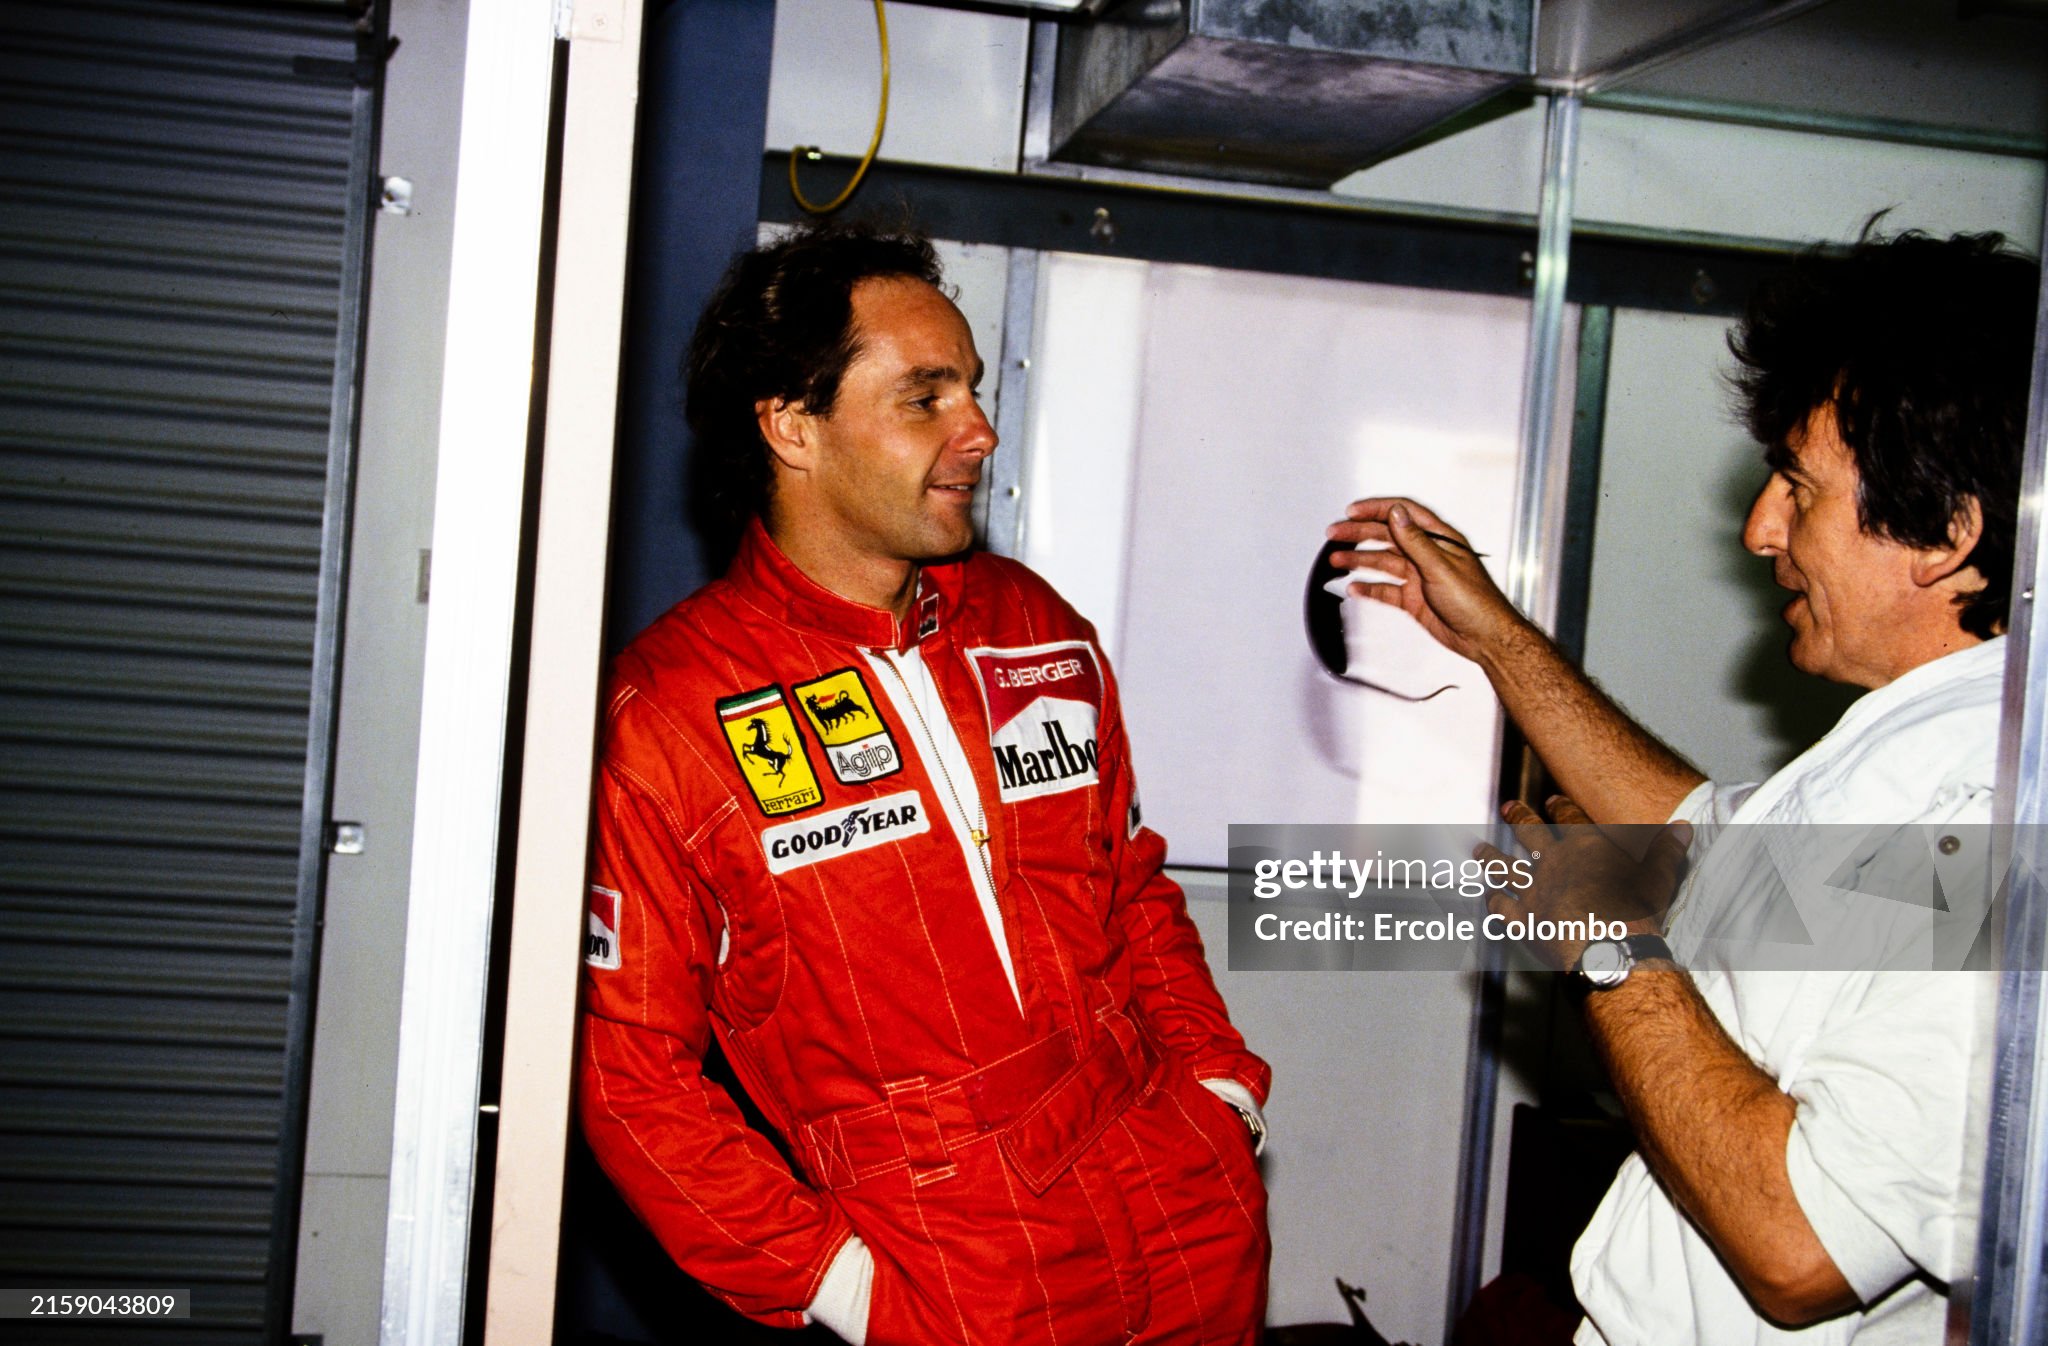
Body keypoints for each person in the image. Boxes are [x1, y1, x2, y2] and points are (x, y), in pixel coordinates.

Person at [1327, 226, 2037, 1345]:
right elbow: (1706, 843)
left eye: (1796, 490)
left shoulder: (1998, 813)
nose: (1760, 528)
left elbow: (1800, 1244)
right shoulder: (1929, 739)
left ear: (1944, 537)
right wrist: (1501, 642)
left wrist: (1608, 942)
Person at [576, 221, 1270, 1346]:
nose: (979, 432)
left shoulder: (1032, 626)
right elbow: (629, 1082)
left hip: (1180, 1205)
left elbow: (1128, 881)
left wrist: (1217, 1091)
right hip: (951, 1265)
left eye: (973, 391)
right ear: (792, 427)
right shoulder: (668, 715)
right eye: (924, 397)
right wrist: (841, 1285)